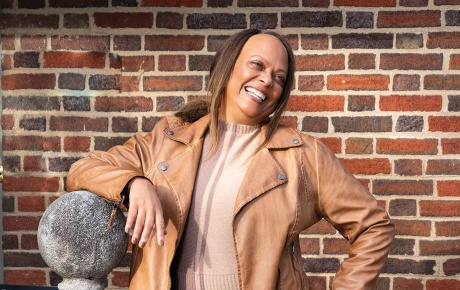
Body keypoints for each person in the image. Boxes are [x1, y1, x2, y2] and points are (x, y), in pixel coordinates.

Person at [67, 29, 395, 290]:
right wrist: (133, 183)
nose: (267, 80)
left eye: (279, 78)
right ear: (228, 66)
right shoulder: (167, 140)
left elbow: (373, 227)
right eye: (257, 65)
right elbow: (82, 170)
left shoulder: (302, 155)